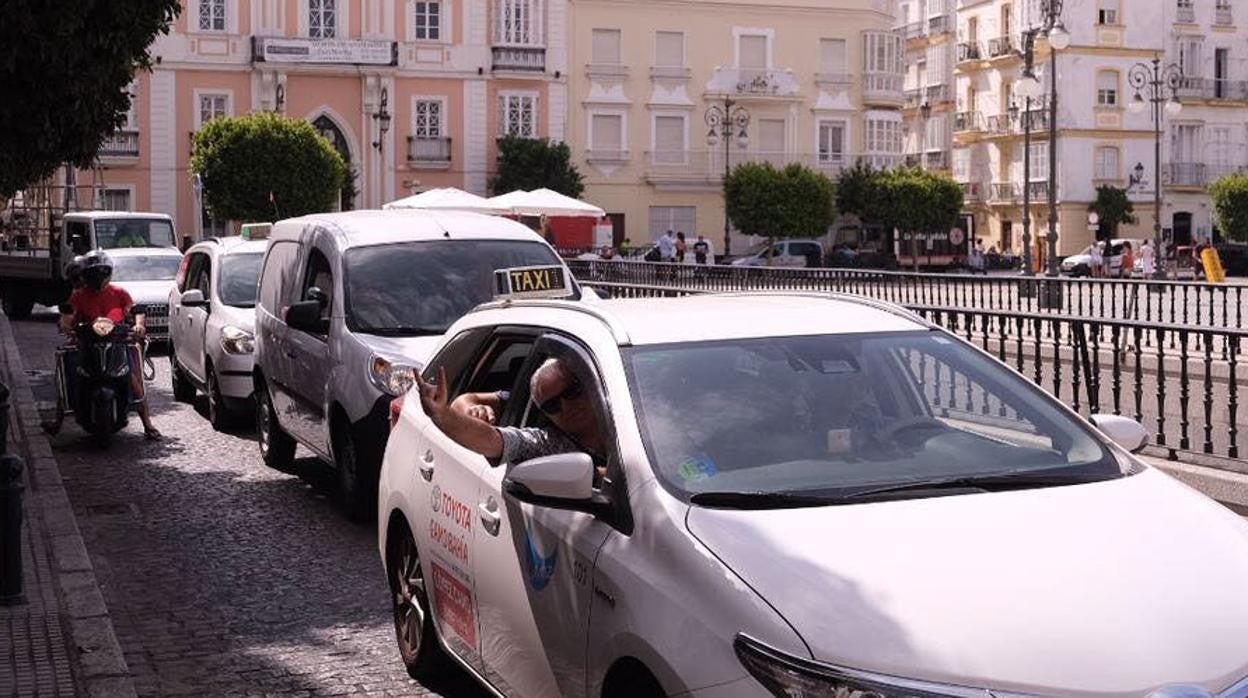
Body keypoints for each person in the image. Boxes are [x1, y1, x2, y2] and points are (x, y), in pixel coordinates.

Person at [415, 358, 605, 468]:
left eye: (572, 393)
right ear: (545, 415)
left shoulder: (628, 418)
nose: (566, 406)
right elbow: (492, 440)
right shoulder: (548, 445)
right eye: (552, 405)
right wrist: (441, 414)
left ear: (589, 385)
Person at [59, 251, 161, 439]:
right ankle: (61, 415)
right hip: (88, 344)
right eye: (94, 273)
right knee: (71, 373)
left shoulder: (119, 292)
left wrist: (139, 325)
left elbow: (135, 310)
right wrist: (66, 324)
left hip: (117, 343)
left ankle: (148, 424)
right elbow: (69, 314)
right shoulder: (79, 295)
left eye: (102, 272)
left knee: (134, 379)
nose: (98, 277)